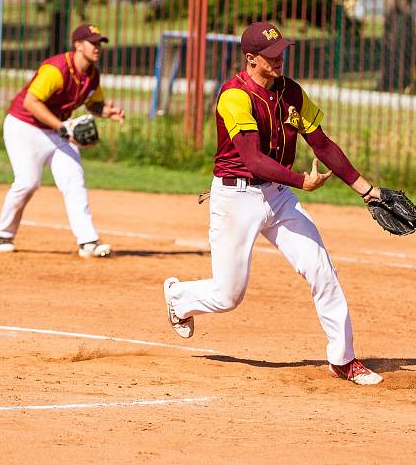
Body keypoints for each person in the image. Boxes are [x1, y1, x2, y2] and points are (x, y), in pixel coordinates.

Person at [163, 21, 387, 385]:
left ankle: (343, 359)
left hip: (278, 196)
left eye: (281, 51)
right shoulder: (234, 96)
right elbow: (252, 160)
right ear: (251, 59)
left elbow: (322, 143)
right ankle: (179, 297)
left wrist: (367, 190)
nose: (279, 58)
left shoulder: (290, 92)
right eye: (271, 55)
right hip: (236, 198)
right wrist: (303, 181)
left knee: (320, 269)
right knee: (228, 295)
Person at [0, 24, 125, 258]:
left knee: (74, 181)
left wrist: (108, 112)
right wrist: (62, 127)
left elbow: (93, 103)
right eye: (92, 43)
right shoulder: (56, 69)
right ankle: (4, 233)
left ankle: (88, 241)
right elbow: (31, 102)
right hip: (25, 127)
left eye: (99, 43)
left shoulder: (92, 74)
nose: (97, 47)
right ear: (78, 45)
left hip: (59, 130)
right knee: (27, 183)